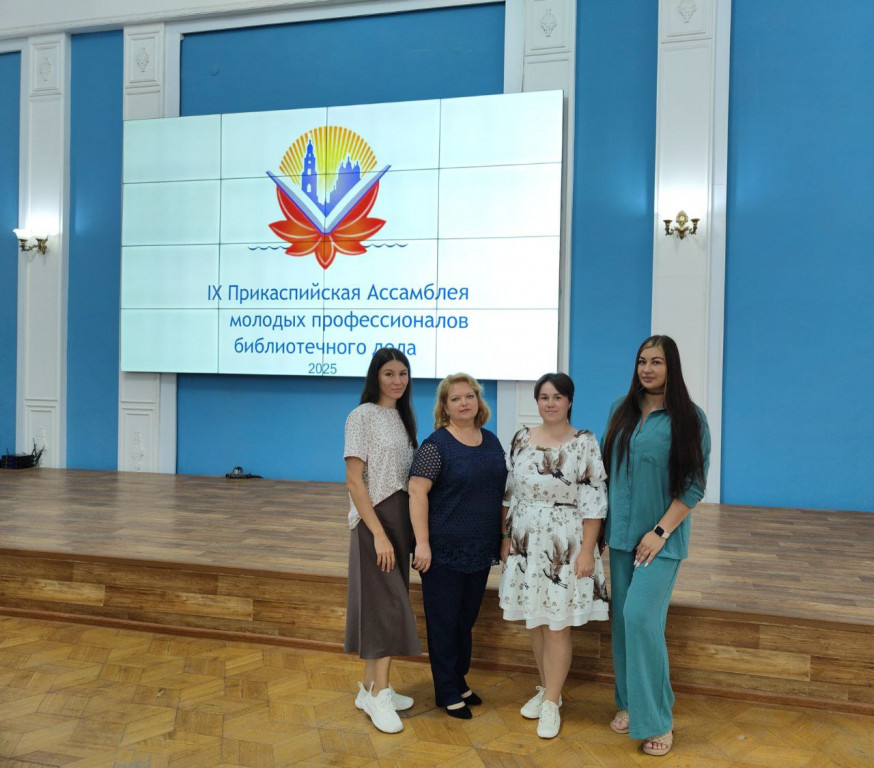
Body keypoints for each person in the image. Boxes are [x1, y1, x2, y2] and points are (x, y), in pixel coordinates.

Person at [601, 335, 710, 756]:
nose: (647, 369)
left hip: (660, 542)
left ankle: (658, 720)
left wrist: (660, 532)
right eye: (642, 361)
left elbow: (693, 486)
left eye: (657, 362)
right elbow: (606, 473)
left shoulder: (690, 419)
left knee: (641, 618)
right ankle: (630, 703)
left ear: (671, 367)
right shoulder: (621, 410)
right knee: (623, 623)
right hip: (621, 537)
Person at [498, 373, 609, 739]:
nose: (550, 403)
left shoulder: (584, 443)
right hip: (526, 541)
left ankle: (551, 703)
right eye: (544, 397)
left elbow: (594, 501)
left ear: (569, 401)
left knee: (557, 624)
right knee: (537, 620)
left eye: (557, 397)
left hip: (565, 540)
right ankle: (549, 690)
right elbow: (509, 492)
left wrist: (588, 551)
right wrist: (506, 537)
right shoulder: (521, 438)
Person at [408, 373, 507, 719]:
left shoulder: (491, 441)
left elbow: (500, 493)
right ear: (445, 407)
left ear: (478, 401)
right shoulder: (436, 445)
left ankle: (458, 679)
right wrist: (422, 543)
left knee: (465, 620)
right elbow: (416, 491)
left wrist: (503, 538)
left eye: (470, 396)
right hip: (442, 550)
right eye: (456, 398)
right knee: (444, 622)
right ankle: (447, 690)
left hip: (479, 549)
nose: (464, 402)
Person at [344, 347, 421, 734]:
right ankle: (380, 694)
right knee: (389, 605)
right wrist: (378, 534)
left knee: (385, 603)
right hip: (376, 520)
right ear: (376, 376)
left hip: (400, 518)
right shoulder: (362, 415)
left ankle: (370, 687)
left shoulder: (402, 416)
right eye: (389, 373)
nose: (397, 380)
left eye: (402, 373)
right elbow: (354, 480)